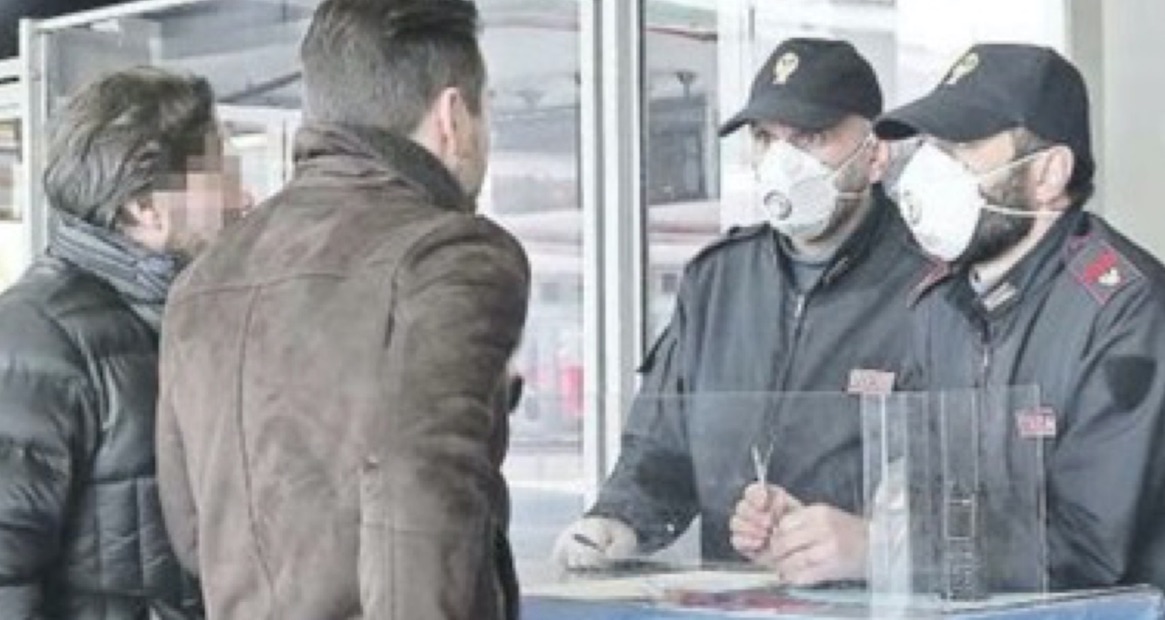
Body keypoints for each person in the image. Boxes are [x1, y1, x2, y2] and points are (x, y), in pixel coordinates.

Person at [736, 42, 1165, 592]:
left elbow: (1089, 548)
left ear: (1049, 174)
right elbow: (922, 492)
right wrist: (821, 530)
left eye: (961, 149)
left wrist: (885, 550)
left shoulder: (1125, 313)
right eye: (933, 145)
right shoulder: (941, 303)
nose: (932, 170)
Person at [154, 0, 530, 618]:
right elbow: (423, 501)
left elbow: (192, 528)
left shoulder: (202, 279)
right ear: (453, 116)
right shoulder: (450, 254)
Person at [552, 38, 930, 586]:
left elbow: (958, 480)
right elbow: (661, 449)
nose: (783, 162)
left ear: (875, 155)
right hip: (734, 600)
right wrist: (617, 523)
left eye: (811, 138)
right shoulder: (717, 280)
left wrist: (875, 541)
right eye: (764, 138)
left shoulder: (933, 287)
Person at [0, 66, 239, 619]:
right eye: (219, 171)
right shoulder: (33, 339)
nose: (241, 195)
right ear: (145, 206)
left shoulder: (177, 319)